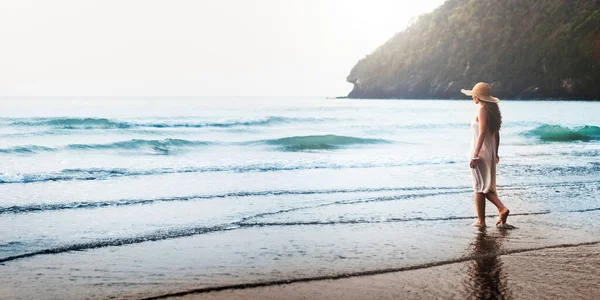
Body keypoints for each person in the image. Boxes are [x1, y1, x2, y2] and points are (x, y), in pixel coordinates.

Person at [461, 82, 510, 227]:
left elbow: (482, 133)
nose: (472, 98)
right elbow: (496, 135)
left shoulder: (482, 111)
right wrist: (496, 153)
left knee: (479, 187)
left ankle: (494, 213)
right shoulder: (492, 112)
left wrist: (475, 154)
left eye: (474, 95)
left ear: (477, 97)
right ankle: (483, 219)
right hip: (488, 152)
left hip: (480, 153)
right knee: (483, 186)